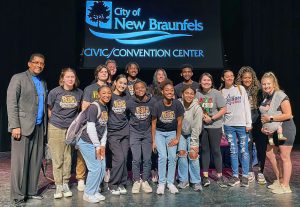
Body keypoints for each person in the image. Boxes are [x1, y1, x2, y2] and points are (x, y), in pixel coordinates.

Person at [7, 53, 47, 205]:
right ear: (29, 63)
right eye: (36, 62)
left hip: (38, 127)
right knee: (20, 163)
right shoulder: (18, 78)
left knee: (35, 161)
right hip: (22, 127)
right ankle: (18, 195)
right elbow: (11, 103)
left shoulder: (42, 81)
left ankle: (31, 191)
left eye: (42, 63)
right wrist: (15, 125)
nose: (39, 65)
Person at [47, 68, 83, 199]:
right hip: (55, 127)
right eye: (67, 77)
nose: (70, 79)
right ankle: (58, 185)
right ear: (62, 78)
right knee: (57, 158)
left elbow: (79, 112)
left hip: (71, 129)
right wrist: (57, 123)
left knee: (68, 157)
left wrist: (73, 126)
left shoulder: (79, 93)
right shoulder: (54, 92)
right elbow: (49, 110)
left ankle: (65, 183)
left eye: (72, 76)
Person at [260, 72, 296, 194]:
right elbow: (264, 116)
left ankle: (286, 186)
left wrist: (269, 119)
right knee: (269, 153)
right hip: (273, 131)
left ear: (274, 84)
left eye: (268, 83)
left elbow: (288, 114)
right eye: (264, 84)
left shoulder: (280, 95)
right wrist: (264, 127)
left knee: (284, 157)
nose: (266, 86)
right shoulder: (267, 97)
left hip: (285, 128)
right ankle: (280, 180)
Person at [76, 65, 109, 191]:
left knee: (99, 161)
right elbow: (84, 108)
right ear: (97, 74)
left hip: (102, 126)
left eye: (106, 71)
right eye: (101, 71)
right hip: (88, 127)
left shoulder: (110, 88)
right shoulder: (90, 88)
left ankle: (96, 185)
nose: (104, 73)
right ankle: (81, 179)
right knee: (85, 157)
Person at [152, 79, 184, 195]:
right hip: (160, 133)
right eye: (167, 90)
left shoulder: (177, 104)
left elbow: (180, 123)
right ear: (162, 92)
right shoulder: (157, 105)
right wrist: (154, 140)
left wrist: (177, 138)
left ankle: (170, 183)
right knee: (163, 157)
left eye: (171, 90)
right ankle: (161, 183)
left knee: (172, 157)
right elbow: (154, 123)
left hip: (171, 133)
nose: (169, 92)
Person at [220, 69, 251, 187]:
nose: (229, 78)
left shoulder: (240, 88)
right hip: (228, 125)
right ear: (223, 78)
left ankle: (245, 176)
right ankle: (235, 176)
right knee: (233, 150)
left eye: (231, 76)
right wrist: (223, 127)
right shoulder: (221, 92)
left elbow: (246, 106)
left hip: (242, 125)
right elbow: (221, 111)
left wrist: (248, 123)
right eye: (227, 76)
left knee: (244, 150)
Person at [196, 73, 227, 188]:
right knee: (204, 151)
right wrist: (203, 117)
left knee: (216, 150)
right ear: (200, 82)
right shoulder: (197, 93)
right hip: (203, 126)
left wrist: (212, 118)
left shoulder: (216, 93)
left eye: (209, 80)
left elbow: (224, 109)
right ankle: (205, 177)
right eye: (204, 80)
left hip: (215, 126)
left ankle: (219, 176)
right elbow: (196, 107)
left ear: (211, 82)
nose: (206, 82)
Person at [236, 66, 266, 184]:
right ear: (241, 79)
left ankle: (260, 171)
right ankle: (248, 170)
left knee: (261, 146)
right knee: (246, 146)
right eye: (245, 78)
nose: (247, 80)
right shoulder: (237, 89)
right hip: (244, 120)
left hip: (258, 118)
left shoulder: (259, 89)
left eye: (249, 77)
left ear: (253, 78)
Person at [127, 81, 155, 194]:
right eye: (137, 88)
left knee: (147, 159)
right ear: (134, 90)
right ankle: (136, 180)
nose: (140, 90)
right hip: (134, 133)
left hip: (147, 133)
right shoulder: (130, 102)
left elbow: (154, 118)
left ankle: (145, 180)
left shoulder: (152, 101)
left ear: (145, 88)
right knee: (136, 159)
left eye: (142, 87)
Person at [107, 74, 130, 195]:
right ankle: (112, 184)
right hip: (113, 133)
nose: (122, 85)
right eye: (120, 82)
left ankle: (122, 183)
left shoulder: (127, 96)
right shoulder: (110, 96)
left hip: (125, 132)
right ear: (115, 83)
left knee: (125, 158)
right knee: (119, 158)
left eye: (125, 83)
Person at [177, 86, 203, 191]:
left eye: (191, 93)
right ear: (182, 94)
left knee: (193, 154)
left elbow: (197, 128)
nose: (189, 95)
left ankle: (196, 181)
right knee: (182, 153)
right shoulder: (178, 104)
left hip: (192, 133)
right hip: (181, 133)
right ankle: (183, 180)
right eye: (186, 93)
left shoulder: (197, 108)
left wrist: (194, 144)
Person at [148, 68, 168, 182]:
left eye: (162, 74)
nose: (160, 76)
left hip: (166, 123)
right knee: (153, 148)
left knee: (164, 150)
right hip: (153, 122)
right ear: (155, 77)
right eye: (158, 74)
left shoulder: (169, 89)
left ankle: (163, 172)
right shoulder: (150, 89)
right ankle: (153, 170)